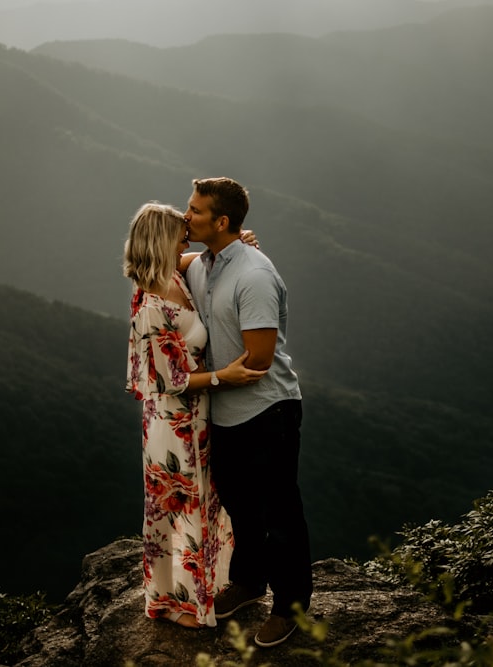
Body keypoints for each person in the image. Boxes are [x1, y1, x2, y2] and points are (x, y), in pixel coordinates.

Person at [123, 201, 266, 629]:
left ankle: (195, 591)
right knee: (180, 507)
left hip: (196, 417)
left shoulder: (173, 275)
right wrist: (225, 376)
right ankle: (177, 603)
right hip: (173, 421)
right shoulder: (153, 303)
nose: (189, 240)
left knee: (200, 505)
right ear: (165, 242)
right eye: (181, 234)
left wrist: (236, 242)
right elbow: (172, 379)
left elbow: (197, 257)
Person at [184, 177, 313, 648]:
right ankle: (249, 582)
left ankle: (291, 606)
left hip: (267, 410)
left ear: (222, 221)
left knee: (280, 512)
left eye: (195, 211)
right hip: (225, 411)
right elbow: (152, 265)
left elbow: (258, 359)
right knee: (239, 505)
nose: (187, 216)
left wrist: (208, 379)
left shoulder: (253, 275)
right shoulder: (204, 263)